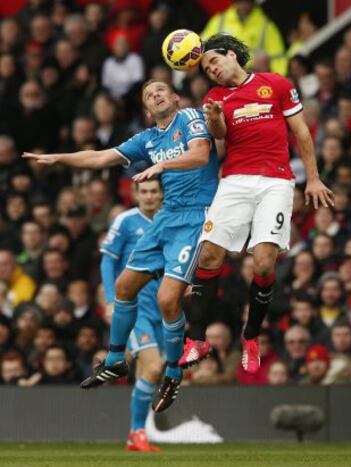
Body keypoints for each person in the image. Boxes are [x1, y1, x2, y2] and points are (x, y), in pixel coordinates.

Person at [23, 79, 218, 413]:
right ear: (146, 110)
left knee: (167, 298)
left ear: (174, 97)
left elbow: (201, 155)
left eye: (160, 90)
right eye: (148, 95)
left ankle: (172, 374)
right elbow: (101, 157)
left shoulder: (190, 118)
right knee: (124, 286)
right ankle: (115, 359)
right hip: (166, 218)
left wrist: (161, 165)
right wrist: (60, 158)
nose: (155, 95)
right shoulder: (148, 138)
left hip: (195, 216)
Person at [180, 34, 334, 373]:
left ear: (232, 55)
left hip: (276, 182)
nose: (213, 71)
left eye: (214, 62)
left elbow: (302, 133)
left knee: (264, 264)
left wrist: (314, 177)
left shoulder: (275, 84)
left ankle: (251, 336)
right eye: (207, 69)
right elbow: (219, 135)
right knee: (208, 254)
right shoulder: (215, 97)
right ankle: (197, 339)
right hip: (234, 180)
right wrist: (215, 116)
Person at [100, 179, 163, 452]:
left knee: (150, 372)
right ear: (136, 194)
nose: (149, 196)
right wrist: (110, 300)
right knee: (152, 367)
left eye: (154, 191)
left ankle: (134, 436)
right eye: (144, 191)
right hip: (134, 308)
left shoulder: (170, 221)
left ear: (162, 194)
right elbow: (107, 260)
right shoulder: (125, 221)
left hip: (164, 310)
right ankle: (138, 431)